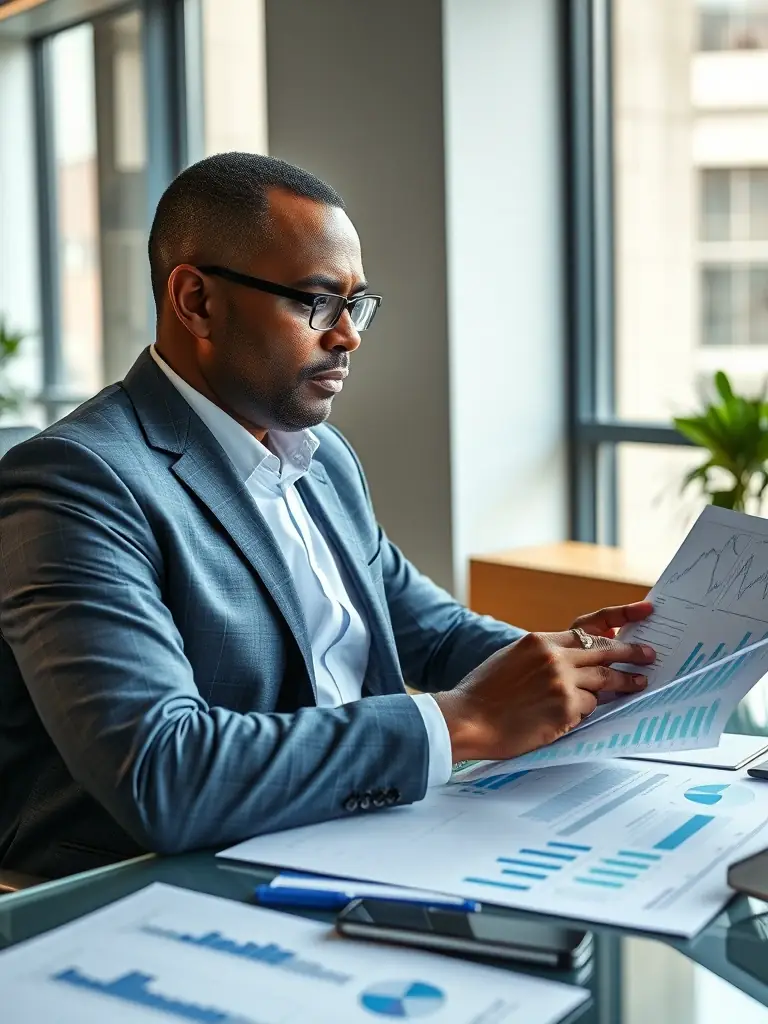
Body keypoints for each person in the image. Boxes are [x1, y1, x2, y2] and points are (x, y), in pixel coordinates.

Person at [0, 153, 654, 879]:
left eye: (356, 304)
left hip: (361, 840)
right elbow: (163, 772)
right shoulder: (76, 482)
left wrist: (591, 672)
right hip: (152, 891)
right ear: (197, 302)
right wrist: (461, 720)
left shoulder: (322, 458)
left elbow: (430, 631)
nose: (349, 335)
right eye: (317, 302)